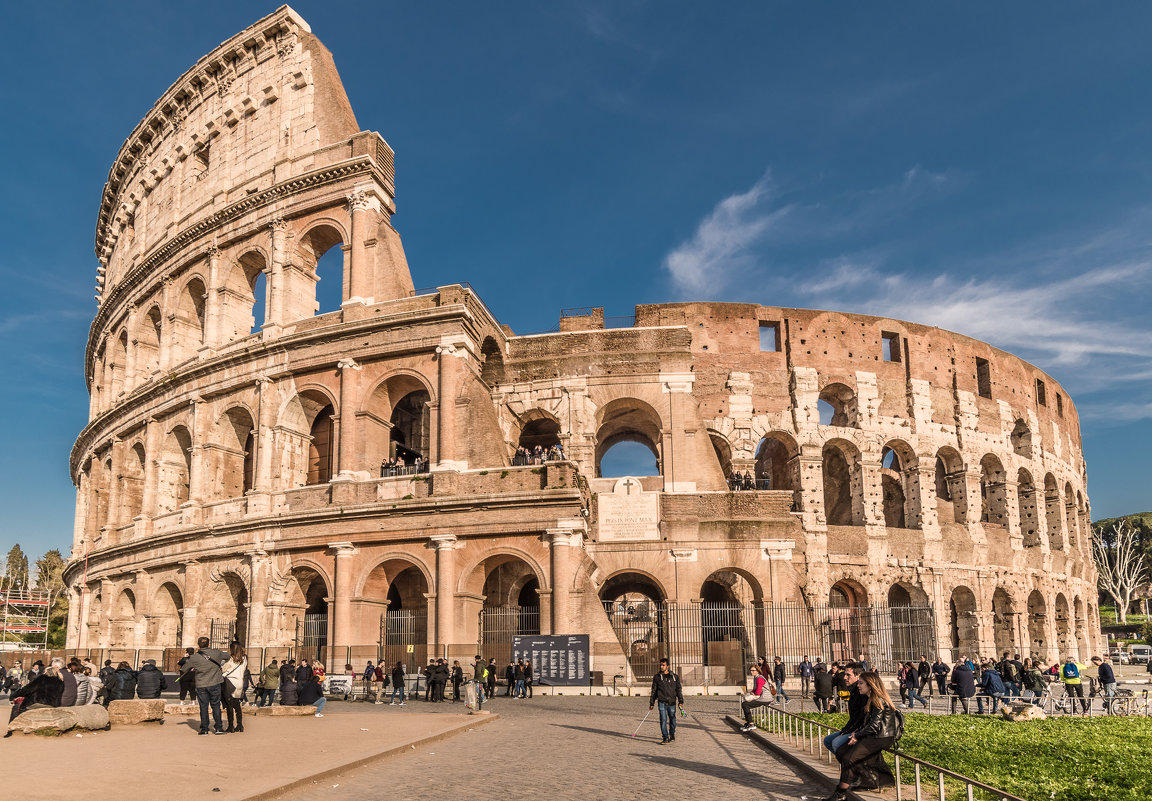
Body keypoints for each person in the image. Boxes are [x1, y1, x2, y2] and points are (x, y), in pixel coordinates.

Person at [824, 671, 903, 800]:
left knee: (849, 758)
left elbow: (874, 726)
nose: (858, 685)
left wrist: (857, 735)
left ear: (870, 685)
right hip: (873, 734)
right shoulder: (870, 698)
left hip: (882, 737)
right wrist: (856, 733)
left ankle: (840, 793)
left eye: (861, 683)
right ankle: (867, 778)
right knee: (843, 751)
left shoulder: (878, 699)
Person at [177, 635, 228, 735]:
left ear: (198, 645)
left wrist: (193, 665)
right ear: (209, 644)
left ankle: (204, 729)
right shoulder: (216, 653)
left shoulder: (194, 657)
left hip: (201, 684)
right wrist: (219, 663)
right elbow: (228, 656)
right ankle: (218, 728)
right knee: (216, 706)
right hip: (215, 682)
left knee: (203, 707)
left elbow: (184, 669)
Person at [7, 658, 65, 725]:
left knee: (17, 707)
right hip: (53, 704)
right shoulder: (60, 681)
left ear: (46, 672)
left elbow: (27, 689)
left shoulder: (42, 678)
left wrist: (16, 694)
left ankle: (12, 726)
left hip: (38, 703)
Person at [822, 663, 864, 755]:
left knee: (836, 743)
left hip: (860, 730)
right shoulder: (853, 690)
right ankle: (847, 764)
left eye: (848, 675)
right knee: (828, 740)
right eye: (845, 674)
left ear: (858, 676)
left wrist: (852, 732)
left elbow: (862, 718)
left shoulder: (861, 692)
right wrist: (845, 730)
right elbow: (853, 717)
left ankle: (850, 765)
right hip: (853, 727)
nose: (845, 677)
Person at [649, 658, 684, 744]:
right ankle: (665, 737)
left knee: (673, 720)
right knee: (663, 719)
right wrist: (652, 702)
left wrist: (680, 701)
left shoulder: (674, 677)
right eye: (660, 665)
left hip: (672, 702)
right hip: (662, 702)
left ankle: (672, 734)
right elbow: (654, 690)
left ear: (667, 666)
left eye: (663, 665)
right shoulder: (657, 677)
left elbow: (678, 689)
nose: (661, 667)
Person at [739, 664, 775, 730]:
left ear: (757, 671)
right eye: (750, 670)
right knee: (745, 704)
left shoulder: (759, 678)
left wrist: (752, 694)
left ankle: (751, 723)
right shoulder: (756, 677)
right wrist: (751, 693)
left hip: (764, 698)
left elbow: (758, 691)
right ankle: (749, 722)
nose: (751, 672)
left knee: (745, 705)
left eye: (753, 670)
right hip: (761, 697)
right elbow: (755, 689)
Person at [221, 643, 247, 733]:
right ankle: (240, 725)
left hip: (230, 683)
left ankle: (231, 726)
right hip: (240, 683)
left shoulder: (231, 659)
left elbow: (224, 669)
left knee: (229, 706)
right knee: (237, 705)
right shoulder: (244, 659)